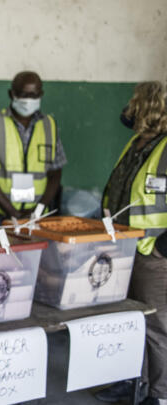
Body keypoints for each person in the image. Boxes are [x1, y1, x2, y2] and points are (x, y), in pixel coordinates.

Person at [96, 81, 167, 405]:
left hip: (152, 255)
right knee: (128, 320)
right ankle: (131, 381)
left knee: (157, 326)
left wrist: (162, 248)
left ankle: (159, 394)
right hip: (124, 249)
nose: (129, 109)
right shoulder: (137, 143)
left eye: (134, 102)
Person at [0, 71, 67, 224]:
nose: (29, 100)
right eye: (24, 94)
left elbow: (55, 173)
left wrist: (38, 210)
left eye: (34, 95)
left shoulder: (49, 125)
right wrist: (13, 213)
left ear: (41, 94)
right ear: (12, 94)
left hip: (38, 215)